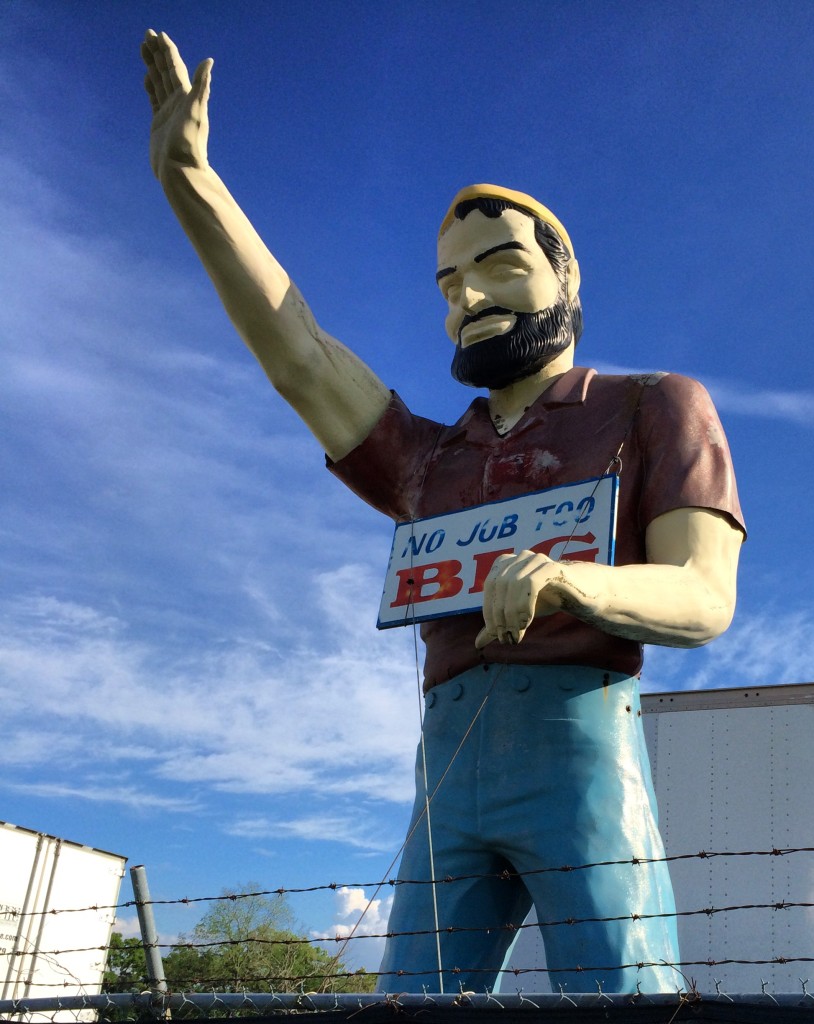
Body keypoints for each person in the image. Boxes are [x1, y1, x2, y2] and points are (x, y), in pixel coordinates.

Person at [141, 31, 746, 995]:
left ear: (566, 275)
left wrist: (569, 583)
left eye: (500, 265)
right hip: (446, 772)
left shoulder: (651, 405)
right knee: (409, 1005)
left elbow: (705, 597)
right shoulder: (429, 458)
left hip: (580, 744)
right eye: (450, 282)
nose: (468, 296)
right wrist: (190, 182)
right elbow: (297, 351)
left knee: (623, 994)